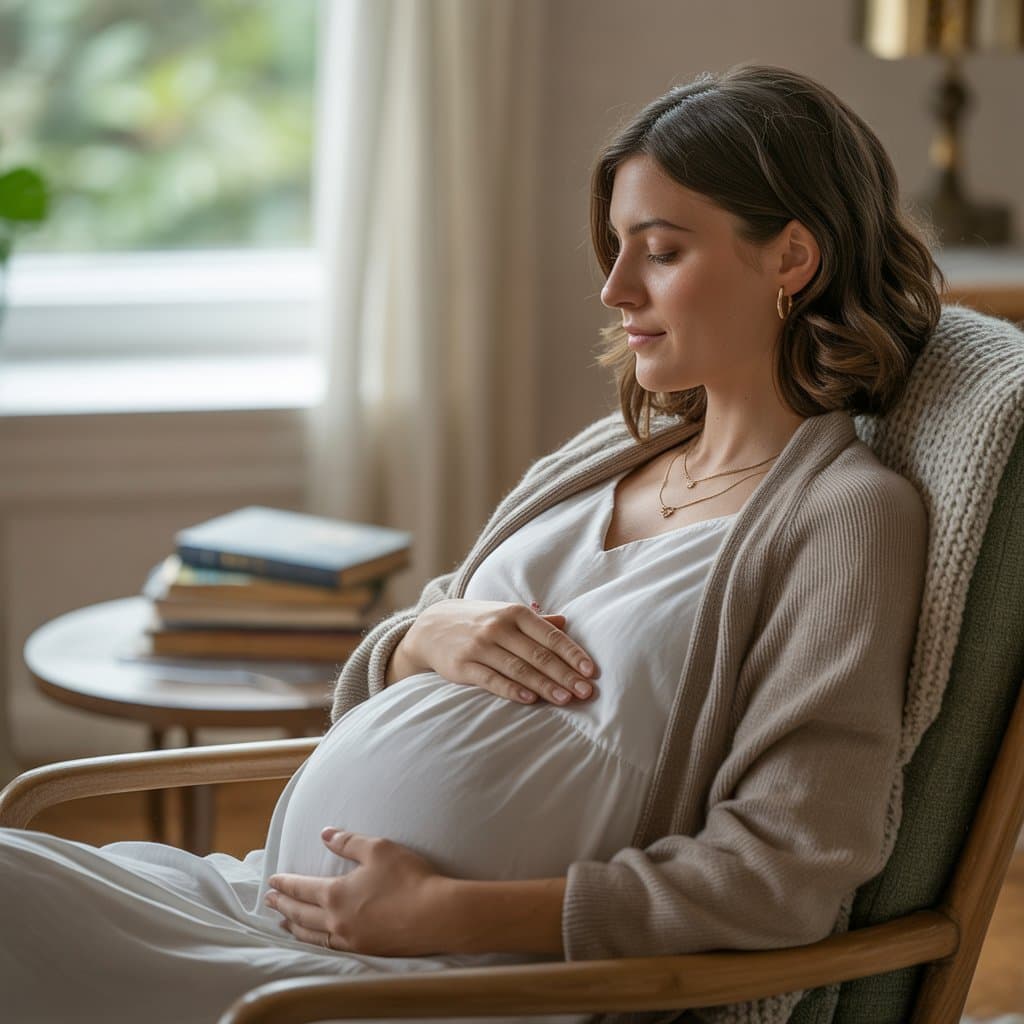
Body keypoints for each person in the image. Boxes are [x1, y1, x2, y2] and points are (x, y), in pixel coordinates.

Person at [0, 63, 941, 1024]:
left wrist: (445, 915)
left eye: (659, 251)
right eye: (616, 247)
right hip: (266, 908)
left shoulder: (846, 519)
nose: (615, 288)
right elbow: (385, 675)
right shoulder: (606, 457)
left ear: (791, 258)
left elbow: (785, 871)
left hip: (440, 980)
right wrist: (425, 636)